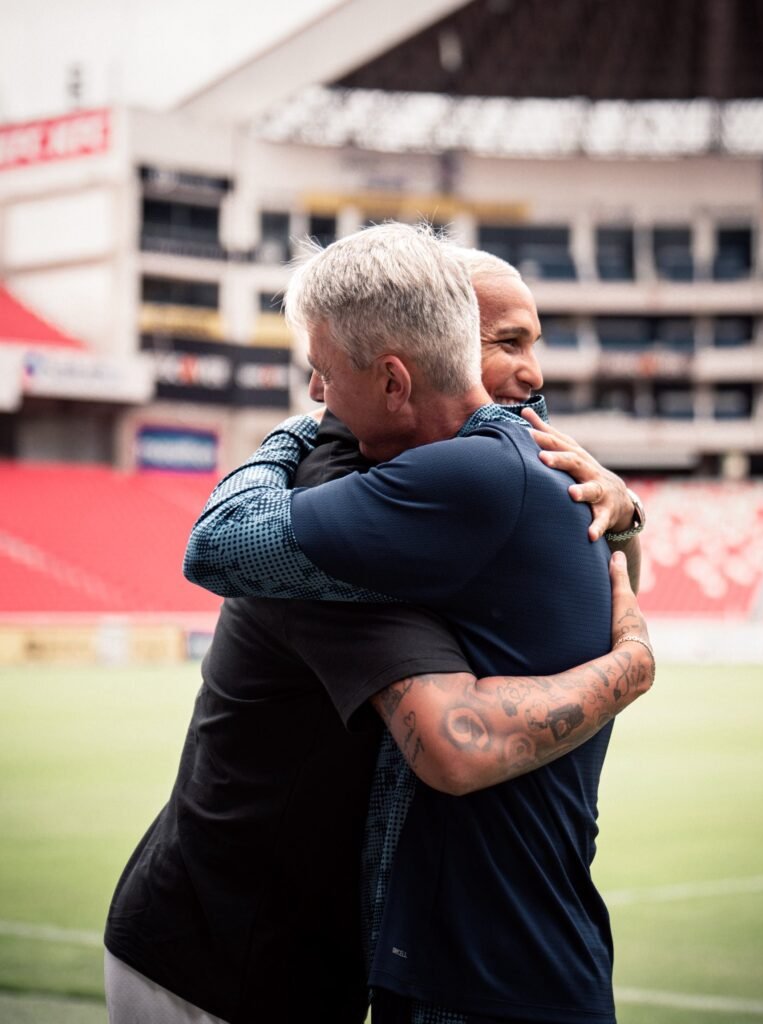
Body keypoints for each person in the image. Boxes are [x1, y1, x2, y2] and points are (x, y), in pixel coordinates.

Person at [181, 223, 653, 1024]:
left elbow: (218, 544)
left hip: (482, 968)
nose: (534, 375)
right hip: (489, 957)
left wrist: (297, 433)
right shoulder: (516, 472)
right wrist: (627, 652)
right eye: (508, 342)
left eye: (325, 372)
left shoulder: (476, 474)